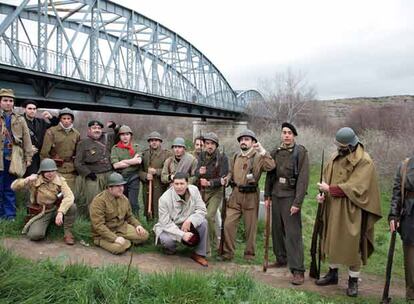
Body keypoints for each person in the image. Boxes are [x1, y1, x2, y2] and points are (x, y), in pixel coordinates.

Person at [316, 127, 382, 297]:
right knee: (331, 239)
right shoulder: (336, 156)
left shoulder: (365, 161)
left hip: (351, 209)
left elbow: (357, 187)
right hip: (332, 205)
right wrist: (322, 193)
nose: (339, 148)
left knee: (353, 244)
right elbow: (327, 177)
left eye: (342, 146)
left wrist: (329, 189)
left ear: (350, 145)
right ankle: (333, 273)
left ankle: (353, 281)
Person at [264, 122, 309, 285]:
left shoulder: (300, 152)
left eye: (289, 132)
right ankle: (281, 259)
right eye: (284, 132)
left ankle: (298, 270)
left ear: (294, 135)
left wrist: (298, 202)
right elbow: (270, 175)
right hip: (276, 195)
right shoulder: (275, 151)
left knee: (293, 233)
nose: (286, 135)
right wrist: (267, 195)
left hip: (290, 196)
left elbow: (303, 179)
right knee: (276, 230)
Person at [220, 129, 275, 261]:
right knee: (228, 224)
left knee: (250, 228)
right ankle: (228, 253)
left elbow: (271, 166)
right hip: (236, 194)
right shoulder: (235, 156)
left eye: (247, 139)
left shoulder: (258, 156)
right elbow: (230, 173)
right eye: (242, 140)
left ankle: (249, 255)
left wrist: (262, 151)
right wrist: (227, 179)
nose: (243, 142)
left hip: (251, 195)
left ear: (253, 142)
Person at [11, 158, 76, 245]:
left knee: (72, 206)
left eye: (53, 171)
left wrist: (60, 212)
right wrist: (27, 180)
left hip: (56, 208)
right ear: (42, 172)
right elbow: (13, 187)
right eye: (47, 171)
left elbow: (69, 196)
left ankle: (68, 233)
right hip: (42, 211)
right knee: (35, 235)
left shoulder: (60, 181)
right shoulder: (35, 180)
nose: (50, 173)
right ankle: (48, 224)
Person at [154, 172, 208, 267]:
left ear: (187, 183)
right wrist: (182, 235)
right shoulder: (164, 199)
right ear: (172, 184)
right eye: (176, 184)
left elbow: (202, 209)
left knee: (203, 223)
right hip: (171, 226)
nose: (179, 187)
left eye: (182, 184)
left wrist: (190, 220)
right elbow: (165, 223)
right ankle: (170, 249)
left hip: (187, 223)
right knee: (167, 240)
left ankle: (199, 254)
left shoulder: (194, 190)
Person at [89, 172, 149, 255]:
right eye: (118, 186)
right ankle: (100, 242)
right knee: (119, 248)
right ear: (110, 188)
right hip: (104, 233)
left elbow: (129, 216)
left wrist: (137, 225)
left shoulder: (123, 198)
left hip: (121, 228)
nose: (121, 188)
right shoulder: (99, 201)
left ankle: (124, 241)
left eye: (122, 185)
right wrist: (114, 238)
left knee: (144, 235)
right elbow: (98, 226)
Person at [0, 88, 33, 220]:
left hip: (13, 157)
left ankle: (10, 216)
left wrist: (28, 157)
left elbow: (26, 138)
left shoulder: (19, 119)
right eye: (5, 100)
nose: (8, 103)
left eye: (11, 101)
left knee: (10, 187)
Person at [195, 132, 229, 253]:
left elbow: (223, 179)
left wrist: (210, 183)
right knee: (201, 216)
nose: (209, 146)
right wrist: (200, 172)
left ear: (216, 145)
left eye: (212, 144)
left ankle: (214, 243)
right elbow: (196, 173)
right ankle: (204, 243)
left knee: (209, 216)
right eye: (207, 143)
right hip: (203, 191)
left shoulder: (223, 158)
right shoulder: (201, 156)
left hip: (216, 191)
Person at [74, 120, 113, 215]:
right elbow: (78, 163)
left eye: (99, 128)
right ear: (89, 130)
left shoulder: (107, 139)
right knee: (93, 200)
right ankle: (94, 220)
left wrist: (114, 126)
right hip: (93, 176)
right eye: (94, 128)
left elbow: (120, 132)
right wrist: (88, 173)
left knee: (110, 198)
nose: (97, 130)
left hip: (108, 174)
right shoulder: (83, 143)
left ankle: (108, 218)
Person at [389, 156, 414, 301]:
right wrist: (393, 215)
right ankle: (411, 295)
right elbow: (397, 193)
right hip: (410, 216)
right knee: (410, 260)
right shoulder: (405, 165)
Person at [40, 107, 80, 191]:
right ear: (60, 119)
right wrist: (47, 169)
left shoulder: (76, 134)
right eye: (64, 118)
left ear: (72, 120)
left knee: (69, 195)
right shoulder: (51, 131)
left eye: (68, 118)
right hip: (55, 169)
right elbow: (44, 153)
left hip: (70, 170)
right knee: (53, 195)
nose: (66, 121)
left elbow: (78, 153)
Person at [138, 131, 172, 219]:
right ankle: (150, 227)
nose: (154, 142)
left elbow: (169, 171)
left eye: (156, 140)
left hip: (160, 186)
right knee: (148, 209)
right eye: (152, 140)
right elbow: (138, 171)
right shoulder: (144, 154)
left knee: (160, 208)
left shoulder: (167, 154)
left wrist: (156, 171)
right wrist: (145, 176)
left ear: (160, 142)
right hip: (147, 187)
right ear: (149, 142)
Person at [111, 125, 142, 215]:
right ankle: (122, 221)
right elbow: (116, 165)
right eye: (122, 134)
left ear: (130, 135)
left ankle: (136, 221)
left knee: (133, 202)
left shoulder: (136, 147)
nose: (125, 137)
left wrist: (123, 162)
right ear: (119, 136)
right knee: (121, 201)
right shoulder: (115, 148)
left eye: (127, 134)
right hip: (120, 178)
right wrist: (132, 161)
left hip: (133, 177)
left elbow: (139, 161)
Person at [21, 100, 58, 175]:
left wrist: (51, 117)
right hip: (24, 155)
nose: (32, 111)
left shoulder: (41, 122)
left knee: (37, 178)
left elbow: (55, 125)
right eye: (30, 108)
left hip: (38, 155)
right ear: (25, 109)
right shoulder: (20, 121)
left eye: (34, 109)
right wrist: (27, 148)